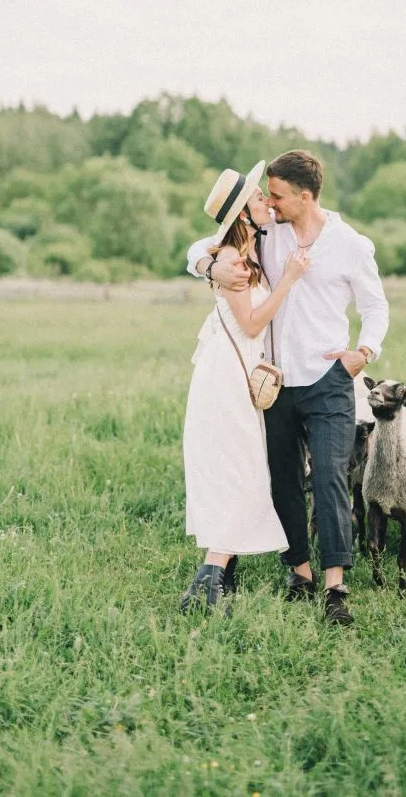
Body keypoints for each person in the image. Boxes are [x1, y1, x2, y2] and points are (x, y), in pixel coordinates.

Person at [188, 150, 389, 626]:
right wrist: (209, 267)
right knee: (284, 480)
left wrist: (364, 352)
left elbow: (375, 307)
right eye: (267, 196)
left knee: (330, 477)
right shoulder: (268, 231)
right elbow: (205, 243)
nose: (271, 202)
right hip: (274, 383)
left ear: (305, 196)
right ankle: (300, 574)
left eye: (277, 195)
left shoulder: (350, 244)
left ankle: (335, 587)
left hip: (328, 379)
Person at [180, 160, 310, 612]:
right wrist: (288, 280)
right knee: (242, 470)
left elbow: (199, 249)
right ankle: (208, 583)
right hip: (227, 377)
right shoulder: (233, 260)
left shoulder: (248, 249)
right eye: (257, 198)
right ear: (242, 213)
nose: (266, 202)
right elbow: (252, 323)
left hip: (240, 373)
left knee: (242, 469)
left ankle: (212, 581)